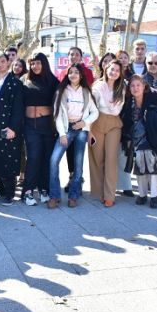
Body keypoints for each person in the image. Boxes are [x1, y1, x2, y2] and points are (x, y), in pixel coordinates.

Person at [47, 64, 99, 208]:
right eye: (71, 72)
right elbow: (57, 114)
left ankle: (74, 195)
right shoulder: (62, 91)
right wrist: (62, 134)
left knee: (78, 164)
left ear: (81, 75)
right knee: (54, 160)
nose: (73, 75)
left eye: (76, 72)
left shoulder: (86, 92)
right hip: (66, 129)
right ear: (67, 75)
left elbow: (95, 112)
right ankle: (54, 196)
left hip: (81, 129)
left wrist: (84, 122)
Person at [120, 75, 157, 209]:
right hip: (137, 141)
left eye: (138, 85)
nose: (135, 88)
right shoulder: (129, 103)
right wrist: (127, 139)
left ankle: (154, 196)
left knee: (154, 167)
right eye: (132, 85)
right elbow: (125, 123)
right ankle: (142, 194)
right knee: (140, 167)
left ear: (144, 86)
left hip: (154, 139)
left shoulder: (154, 98)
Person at [0, 52, 24, 206]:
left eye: (2, 61)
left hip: (6, 126)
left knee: (7, 159)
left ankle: (9, 192)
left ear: (8, 62)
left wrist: (13, 128)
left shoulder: (15, 83)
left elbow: (18, 108)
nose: (0, 64)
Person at [21, 52, 59, 206]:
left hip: (48, 126)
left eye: (38, 63)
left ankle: (43, 188)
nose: (35, 66)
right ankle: (27, 191)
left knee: (46, 158)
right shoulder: (25, 80)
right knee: (34, 157)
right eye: (32, 63)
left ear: (44, 63)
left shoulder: (53, 81)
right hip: (30, 126)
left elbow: (59, 103)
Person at [57, 47, 95, 192]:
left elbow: (88, 92)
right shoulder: (63, 73)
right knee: (69, 150)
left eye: (77, 54)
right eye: (71, 54)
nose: (74, 56)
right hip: (66, 119)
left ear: (81, 57)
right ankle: (72, 176)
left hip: (82, 118)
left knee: (79, 152)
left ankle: (78, 179)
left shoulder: (87, 72)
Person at [89, 60, 126, 207]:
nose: (114, 72)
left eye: (117, 70)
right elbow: (92, 107)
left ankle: (110, 195)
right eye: (112, 69)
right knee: (97, 158)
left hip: (113, 124)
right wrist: (89, 130)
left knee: (111, 159)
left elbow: (116, 109)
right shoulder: (97, 86)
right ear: (106, 69)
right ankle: (99, 192)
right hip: (97, 122)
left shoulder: (121, 87)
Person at [115, 50, 134, 197]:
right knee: (114, 153)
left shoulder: (132, 76)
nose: (123, 60)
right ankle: (113, 184)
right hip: (114, 117)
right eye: (120, 58)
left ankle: (127, 185)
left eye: (125, 57)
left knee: (126, 153)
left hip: (128, 118)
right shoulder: (113, 75)